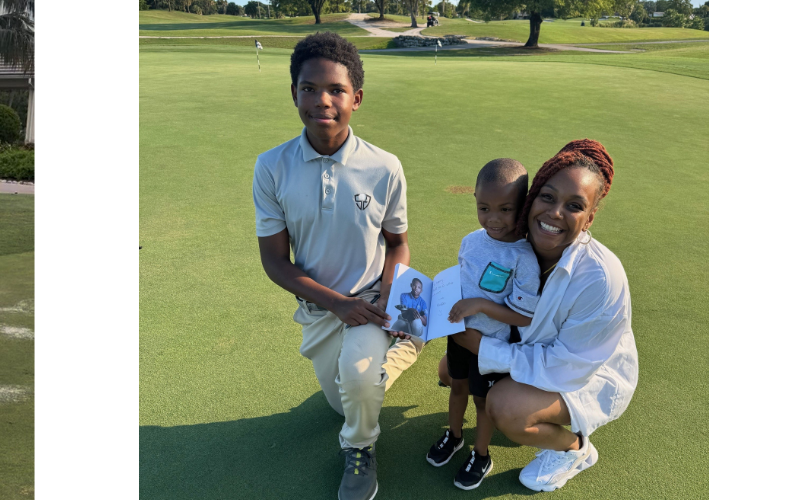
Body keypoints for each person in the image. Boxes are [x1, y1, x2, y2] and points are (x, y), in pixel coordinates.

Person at [252, 31, 423, 500]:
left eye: (336, 90)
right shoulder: (271, 167)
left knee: (361, 384)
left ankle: (359, 449)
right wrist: (335, 304)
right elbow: (274, 261)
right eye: (309, 88)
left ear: (356, 99)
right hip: (320, 309)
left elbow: (399, 245)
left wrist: (387, 296)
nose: (322, 100)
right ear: (294, 93)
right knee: (342, 402)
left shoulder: (385, 166)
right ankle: (407, 345)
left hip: (369, 302)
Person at [448, 139, 637, 492]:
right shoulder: (509, 242)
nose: (555, 213)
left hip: (583, 374)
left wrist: (483, 349)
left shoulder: (601, 278)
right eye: (547, 197)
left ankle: (574, 448)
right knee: (450, 371)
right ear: (531, 199)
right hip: (532, 350)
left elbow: (566, 366)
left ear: (590, 217)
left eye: (574, 205)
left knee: (504, 407)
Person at [427, 158, 542, 491]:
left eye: (505, 210)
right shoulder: (471, 240)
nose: (493, 219)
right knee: (457, 387)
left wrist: (480, 306)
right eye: (484, 208)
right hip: (457, 337)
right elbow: (459, 284)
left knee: (482, 402)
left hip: (490, 348)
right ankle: (454, 435)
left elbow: (525, 316)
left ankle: (481, 454)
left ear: (522, 206)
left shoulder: (523, 258)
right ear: (475, 199)